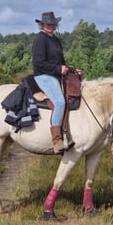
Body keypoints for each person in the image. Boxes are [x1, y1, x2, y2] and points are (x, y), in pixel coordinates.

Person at [32, 11, 82, 154]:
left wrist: (72, 71)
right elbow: (38, 63)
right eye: (48, 24)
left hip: (56, 75)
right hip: (43, 75)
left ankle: (68, 133)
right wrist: (58, 69)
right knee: (60, 102)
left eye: (53, 24)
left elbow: (61, 63)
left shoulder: (56, 40)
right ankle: (57, 140)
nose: (51, 26)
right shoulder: (40, 40)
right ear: (42, 25)